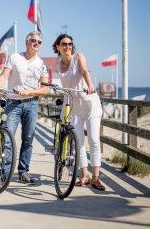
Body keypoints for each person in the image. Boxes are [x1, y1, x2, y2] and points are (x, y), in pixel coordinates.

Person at [52, 34, 105, 191]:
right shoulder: (57, 65)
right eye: (64, 44)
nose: (67, 46)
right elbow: (64, 86)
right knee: (79, 142)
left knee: (94, 140)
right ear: (58, 47)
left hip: (90, 103)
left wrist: (90, 85)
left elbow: (84, 71)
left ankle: (96, 178)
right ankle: (84, 176)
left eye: (69, 44)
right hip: (74, 106)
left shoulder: (78, 56)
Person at [0, 31, 49, 184]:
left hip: (31, 104)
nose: (36, 43)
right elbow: (4, 76)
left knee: (28, 140)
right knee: (7, 138)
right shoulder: (14, 57)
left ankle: (23, 172)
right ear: (27, 42)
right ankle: (5, 172)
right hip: (13, 103)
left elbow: (45, 89)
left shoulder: (42, 64)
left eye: (39, 42)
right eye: (33, 40)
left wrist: (30, 91)